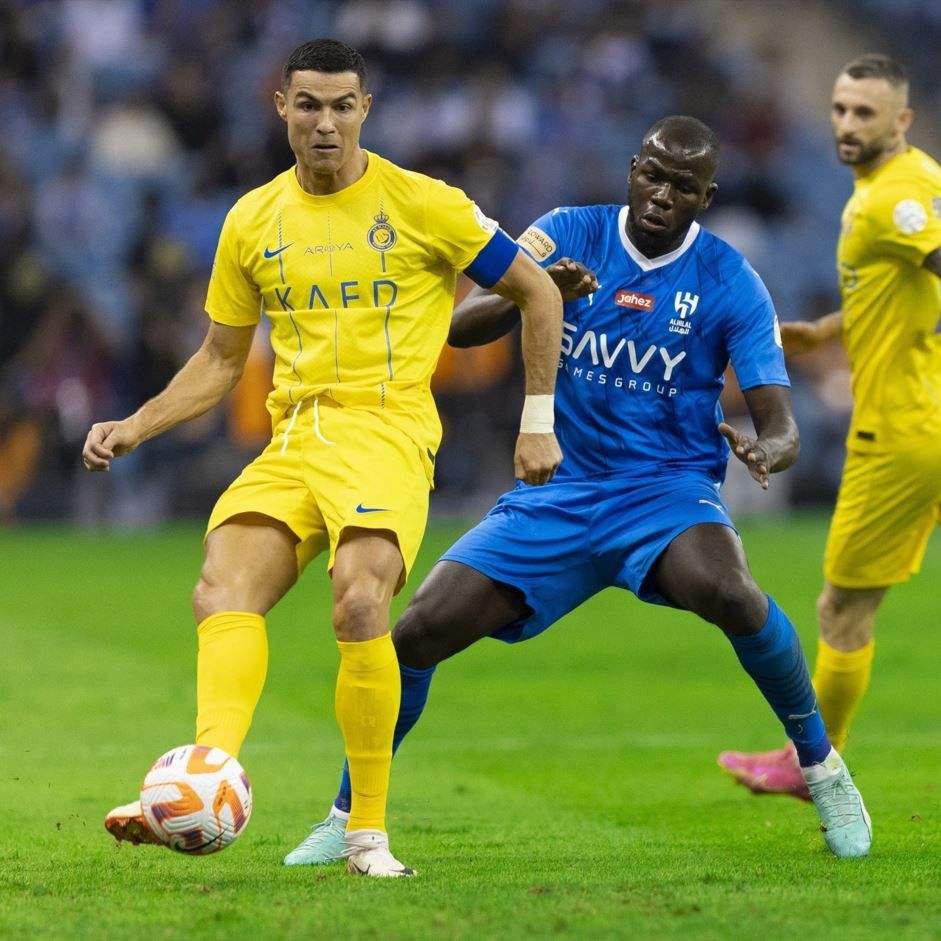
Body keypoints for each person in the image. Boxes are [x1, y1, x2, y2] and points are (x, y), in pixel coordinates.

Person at [284, 114, 872, 867]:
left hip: (663, 494)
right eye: (652, 175)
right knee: (413, 636)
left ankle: (823, 770)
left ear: (706, 197)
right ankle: (348, 816)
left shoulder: (731, 281)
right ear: (631, 168)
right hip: (556, 496)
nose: (661, 195)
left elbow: (779, 421)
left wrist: (769, 449)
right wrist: (540, 293)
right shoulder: (565, 230)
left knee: (730, 592)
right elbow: (462, 328)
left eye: (682, 188)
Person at [81, 38, 564, 878]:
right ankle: (199, 783)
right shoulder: (252, 219)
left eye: (343, 105)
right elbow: (222, 360)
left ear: (365, 110)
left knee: (358, 601)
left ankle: (365, 835)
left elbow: (537, 289)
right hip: (295, 434)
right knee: (219, 587)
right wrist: (138, 422)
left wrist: (536, 420)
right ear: (281, 108)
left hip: (384, 430)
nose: (326, 122)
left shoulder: (425, 204)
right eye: (309, 104)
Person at [718, 54, 941, 801]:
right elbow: (900, 287)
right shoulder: (901, 184)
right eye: (841, 109)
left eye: (865, 113)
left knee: (841, 607)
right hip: (925, 415)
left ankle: (811, 760)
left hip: (901, 433)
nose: (847, 124)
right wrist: (825, 330)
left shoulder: (895, 200)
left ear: (900, 121)